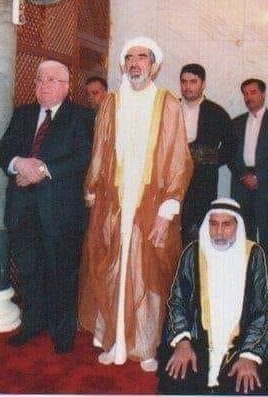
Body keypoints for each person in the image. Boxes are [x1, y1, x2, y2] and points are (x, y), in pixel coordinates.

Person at [78, 36, 193, 372]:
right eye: (129, 57)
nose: (135, 63)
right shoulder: (111, 103)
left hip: (151, 204)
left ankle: (145, 345)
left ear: (154, 66)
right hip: (113, 202)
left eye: (142, 57)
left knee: (147, 273)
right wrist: (93, 190)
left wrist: (167, 210)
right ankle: (113, 340)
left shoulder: (167, 103)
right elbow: (99, 151)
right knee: (113, 268)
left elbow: (178, 159)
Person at [0, 60, 94, 354]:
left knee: (62, 272)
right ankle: (32, 323)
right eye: (39, 80)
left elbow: (83, 156)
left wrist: (42, 170)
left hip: (61, 211)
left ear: (66, 86)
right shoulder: (23, 113)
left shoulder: (82, 116)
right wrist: (18, 164)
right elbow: (3, 150)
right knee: (29, 270)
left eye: (51, 80)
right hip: (22, 208)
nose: (43, 85)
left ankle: (62, 333)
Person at [157, 198, 268, 394]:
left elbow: (264, 310)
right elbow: (177, 301)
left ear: (238, 225)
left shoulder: (254, 254)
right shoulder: (193, 252)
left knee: (246, 387)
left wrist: (249, 355)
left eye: (226, 224)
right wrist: (182, 342)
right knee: (176, 381)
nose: (219, 232)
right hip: (196, 341)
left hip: (239, 347)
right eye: (213, 224)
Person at [229, 78, 268, 283]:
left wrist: (258, 176)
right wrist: (243, 175)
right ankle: (246, 279)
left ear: (263, 94)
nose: (248, 97)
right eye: (245, 93)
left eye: (253, 92)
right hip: (241, 183)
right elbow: (231, 154)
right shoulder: (236, 123)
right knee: (244, 233)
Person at [178, 63, 235, 241]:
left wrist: (212, 159)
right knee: (173, 227)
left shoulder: (216, 112)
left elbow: (232, 144)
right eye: (184, 82)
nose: (187, 86)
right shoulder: (171, 108)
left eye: (193, 82)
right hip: (174, 180)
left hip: (203, 181)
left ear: (203, 84)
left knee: (199, 229)